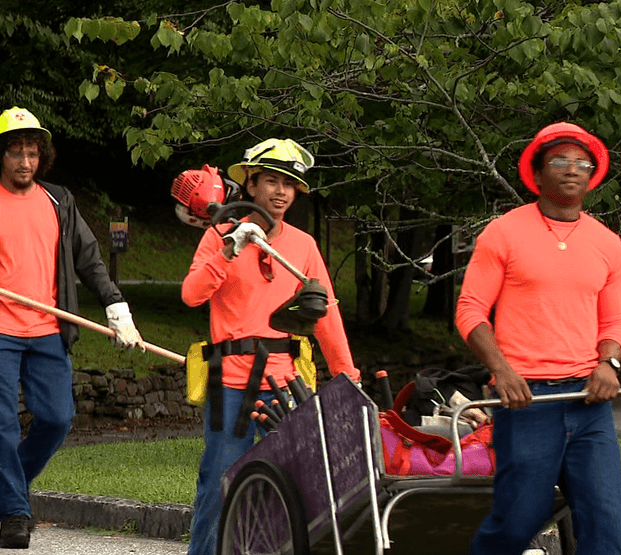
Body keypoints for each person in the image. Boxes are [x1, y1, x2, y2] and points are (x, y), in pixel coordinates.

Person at [456, 122, 621, 555]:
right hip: (527, 400)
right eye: (559, 161)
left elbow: (615, 321)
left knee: (606, 522)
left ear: (592, 175)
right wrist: (502, 371)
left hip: (589, 404)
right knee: (520, 519)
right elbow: (469, 310)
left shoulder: (608, 244)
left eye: (581, 163)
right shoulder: (504, 233)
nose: (572, 169)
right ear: (537, 173)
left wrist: (609, 363)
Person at [181, 137, 360, 555]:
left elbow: (325, 314)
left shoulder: (304, 246)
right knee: (219, 483)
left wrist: (347, 374)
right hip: (231, 384)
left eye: (290, 184)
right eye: (273, 181)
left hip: (288, 384)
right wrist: (231, 247)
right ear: (251, 185)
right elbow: (191, 294)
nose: (281, 192)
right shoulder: (220, 236)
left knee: (297, 489)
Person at [0, 106, 143, 549]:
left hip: (48, 328)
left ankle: (8, 489)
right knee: (1, 424)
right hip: (1, 332)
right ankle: (13, 513)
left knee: (59, 419)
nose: (26, 162)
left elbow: (90, 260)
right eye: (16, 153)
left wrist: (116, 307)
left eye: (32, 153)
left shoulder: (58, 201)